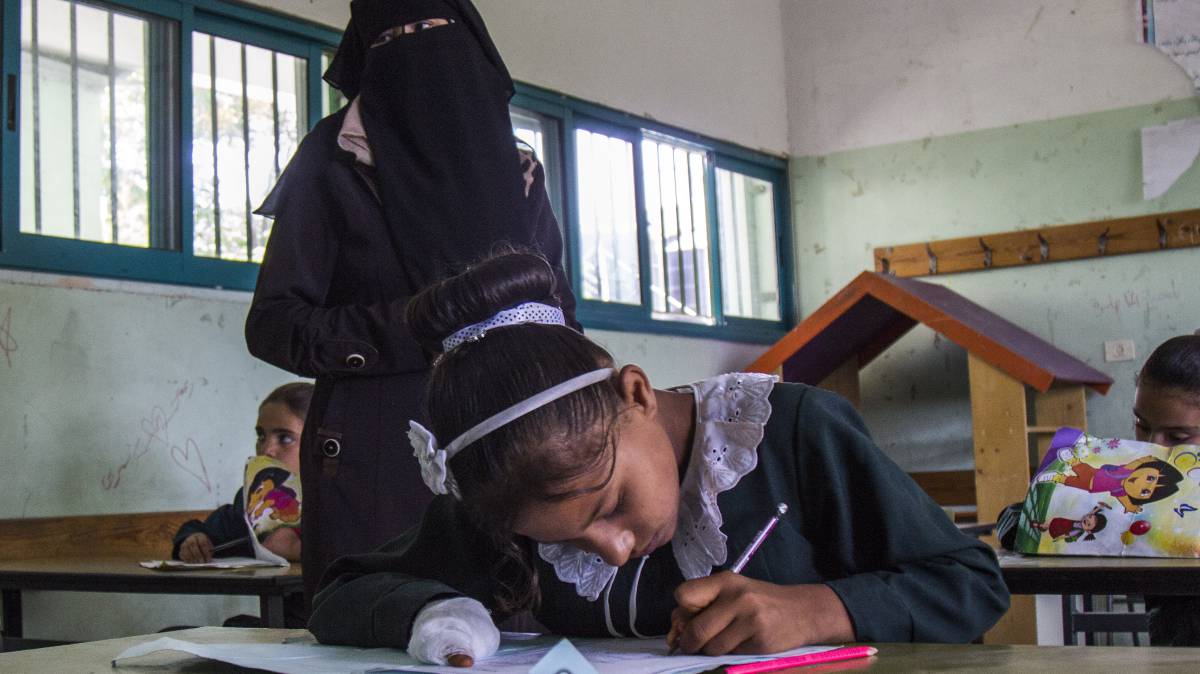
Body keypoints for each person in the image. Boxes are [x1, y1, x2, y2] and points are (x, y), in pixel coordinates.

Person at [306, 252, 1009, 664]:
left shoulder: (790, 433)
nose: (612, 551)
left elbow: (971, 584)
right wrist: (443, 615)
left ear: (635, 392)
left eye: (610, 505)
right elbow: (342, 593)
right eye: (568, 540)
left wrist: (823, 610)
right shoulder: (509, 500)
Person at [244, 0, 579, 606]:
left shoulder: (517, 169)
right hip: (374, 461)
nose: (418, 48)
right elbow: (273, 325)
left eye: (434, 31)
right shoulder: (335, 160)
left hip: (510, 454)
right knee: (381, 626)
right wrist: (418, 324)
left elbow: (561, 314)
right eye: (394, 39)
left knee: (508, 633)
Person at [172, 382, 312, 564]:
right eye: (261, 436)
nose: (266, 449)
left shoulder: (344, 501)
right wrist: (192, 541)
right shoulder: (255, 499)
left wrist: (302, 551)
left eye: (285, 438)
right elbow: (201, 529)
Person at [1134, 335, 1200, 647]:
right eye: (1141, 424)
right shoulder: (1139, 477)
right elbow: (1017, 519)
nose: (1153, 447)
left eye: (1177, 435)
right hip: (1174, 651)